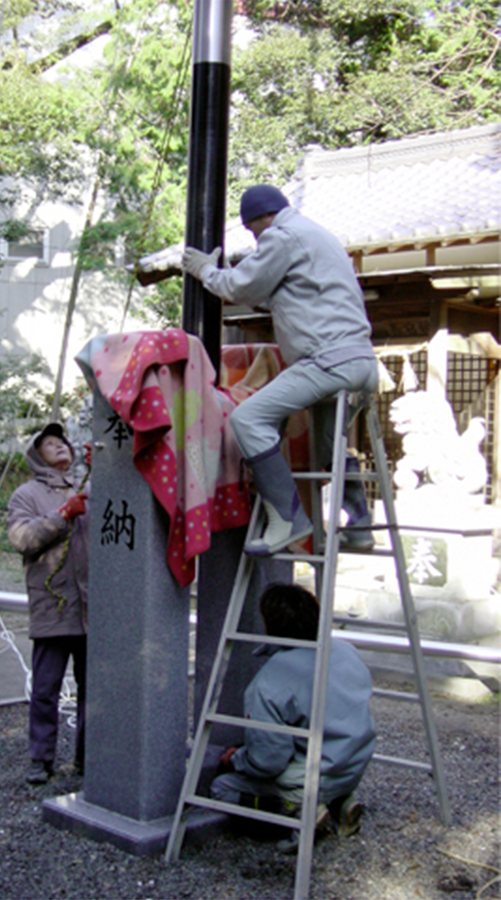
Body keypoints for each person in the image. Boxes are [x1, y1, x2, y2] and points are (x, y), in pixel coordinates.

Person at [182, 184, 379, 556]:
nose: (257, 240)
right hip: (361, 363)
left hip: (325, 362)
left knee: (248, 420)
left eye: (254, 232)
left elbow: (240, 286)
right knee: (328, 450)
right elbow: (291, 292)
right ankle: (359, 524)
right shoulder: (318, 236)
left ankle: (288, 520)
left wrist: (207, 271)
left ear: (260, 218)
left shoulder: (282, 236)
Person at [210, 582, 377, 849]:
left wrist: (237, 760)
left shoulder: (270, 680)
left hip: (313, 773)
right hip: (354, 763)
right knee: (309, 759)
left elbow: (269, 760)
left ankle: (296, 812)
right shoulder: (346, 651)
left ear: (270, 626)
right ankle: (341, 802)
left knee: (223, 788)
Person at [6, 423, 90, 785]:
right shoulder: (26, 494)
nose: (59, 446)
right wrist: (63, 515)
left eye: (62, 441)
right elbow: (22, 538)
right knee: (45, 690)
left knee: (95, 690)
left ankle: (89, 758)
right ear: (36, 456)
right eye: (49, 444)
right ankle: (40, 759)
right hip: (52, 606)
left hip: (92, 608)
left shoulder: (90, 487)